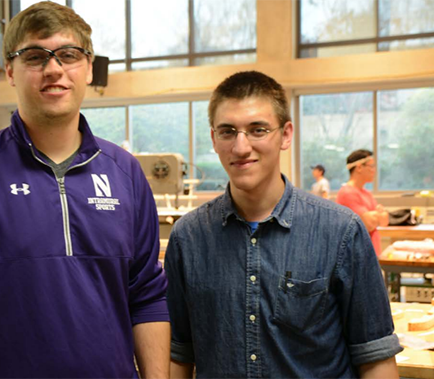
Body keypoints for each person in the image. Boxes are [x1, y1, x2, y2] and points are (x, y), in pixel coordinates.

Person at [0, 3, 170, 379]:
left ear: (88, 68)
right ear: (10, 70)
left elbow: (146, 296)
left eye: (68, 55)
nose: (54, 69)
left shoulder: (125, 173)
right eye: (35, 56)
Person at [165, 71, 401, 379]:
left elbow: (375, 356)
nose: (241, 147)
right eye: (227, 132)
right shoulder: (189, 238)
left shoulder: (340, 231)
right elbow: (179, 353)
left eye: (257, 130)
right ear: (214, 138)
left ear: (286, 135)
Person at [337, 149, 389, 255]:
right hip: (357, 259)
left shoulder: (367, 193)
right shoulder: (347, 193)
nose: (374, 170)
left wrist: (377, 216)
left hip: (370, 257)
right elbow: (369, 223)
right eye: (371, 166)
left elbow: (385, 220)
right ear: (359, 167)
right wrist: (379, 215)